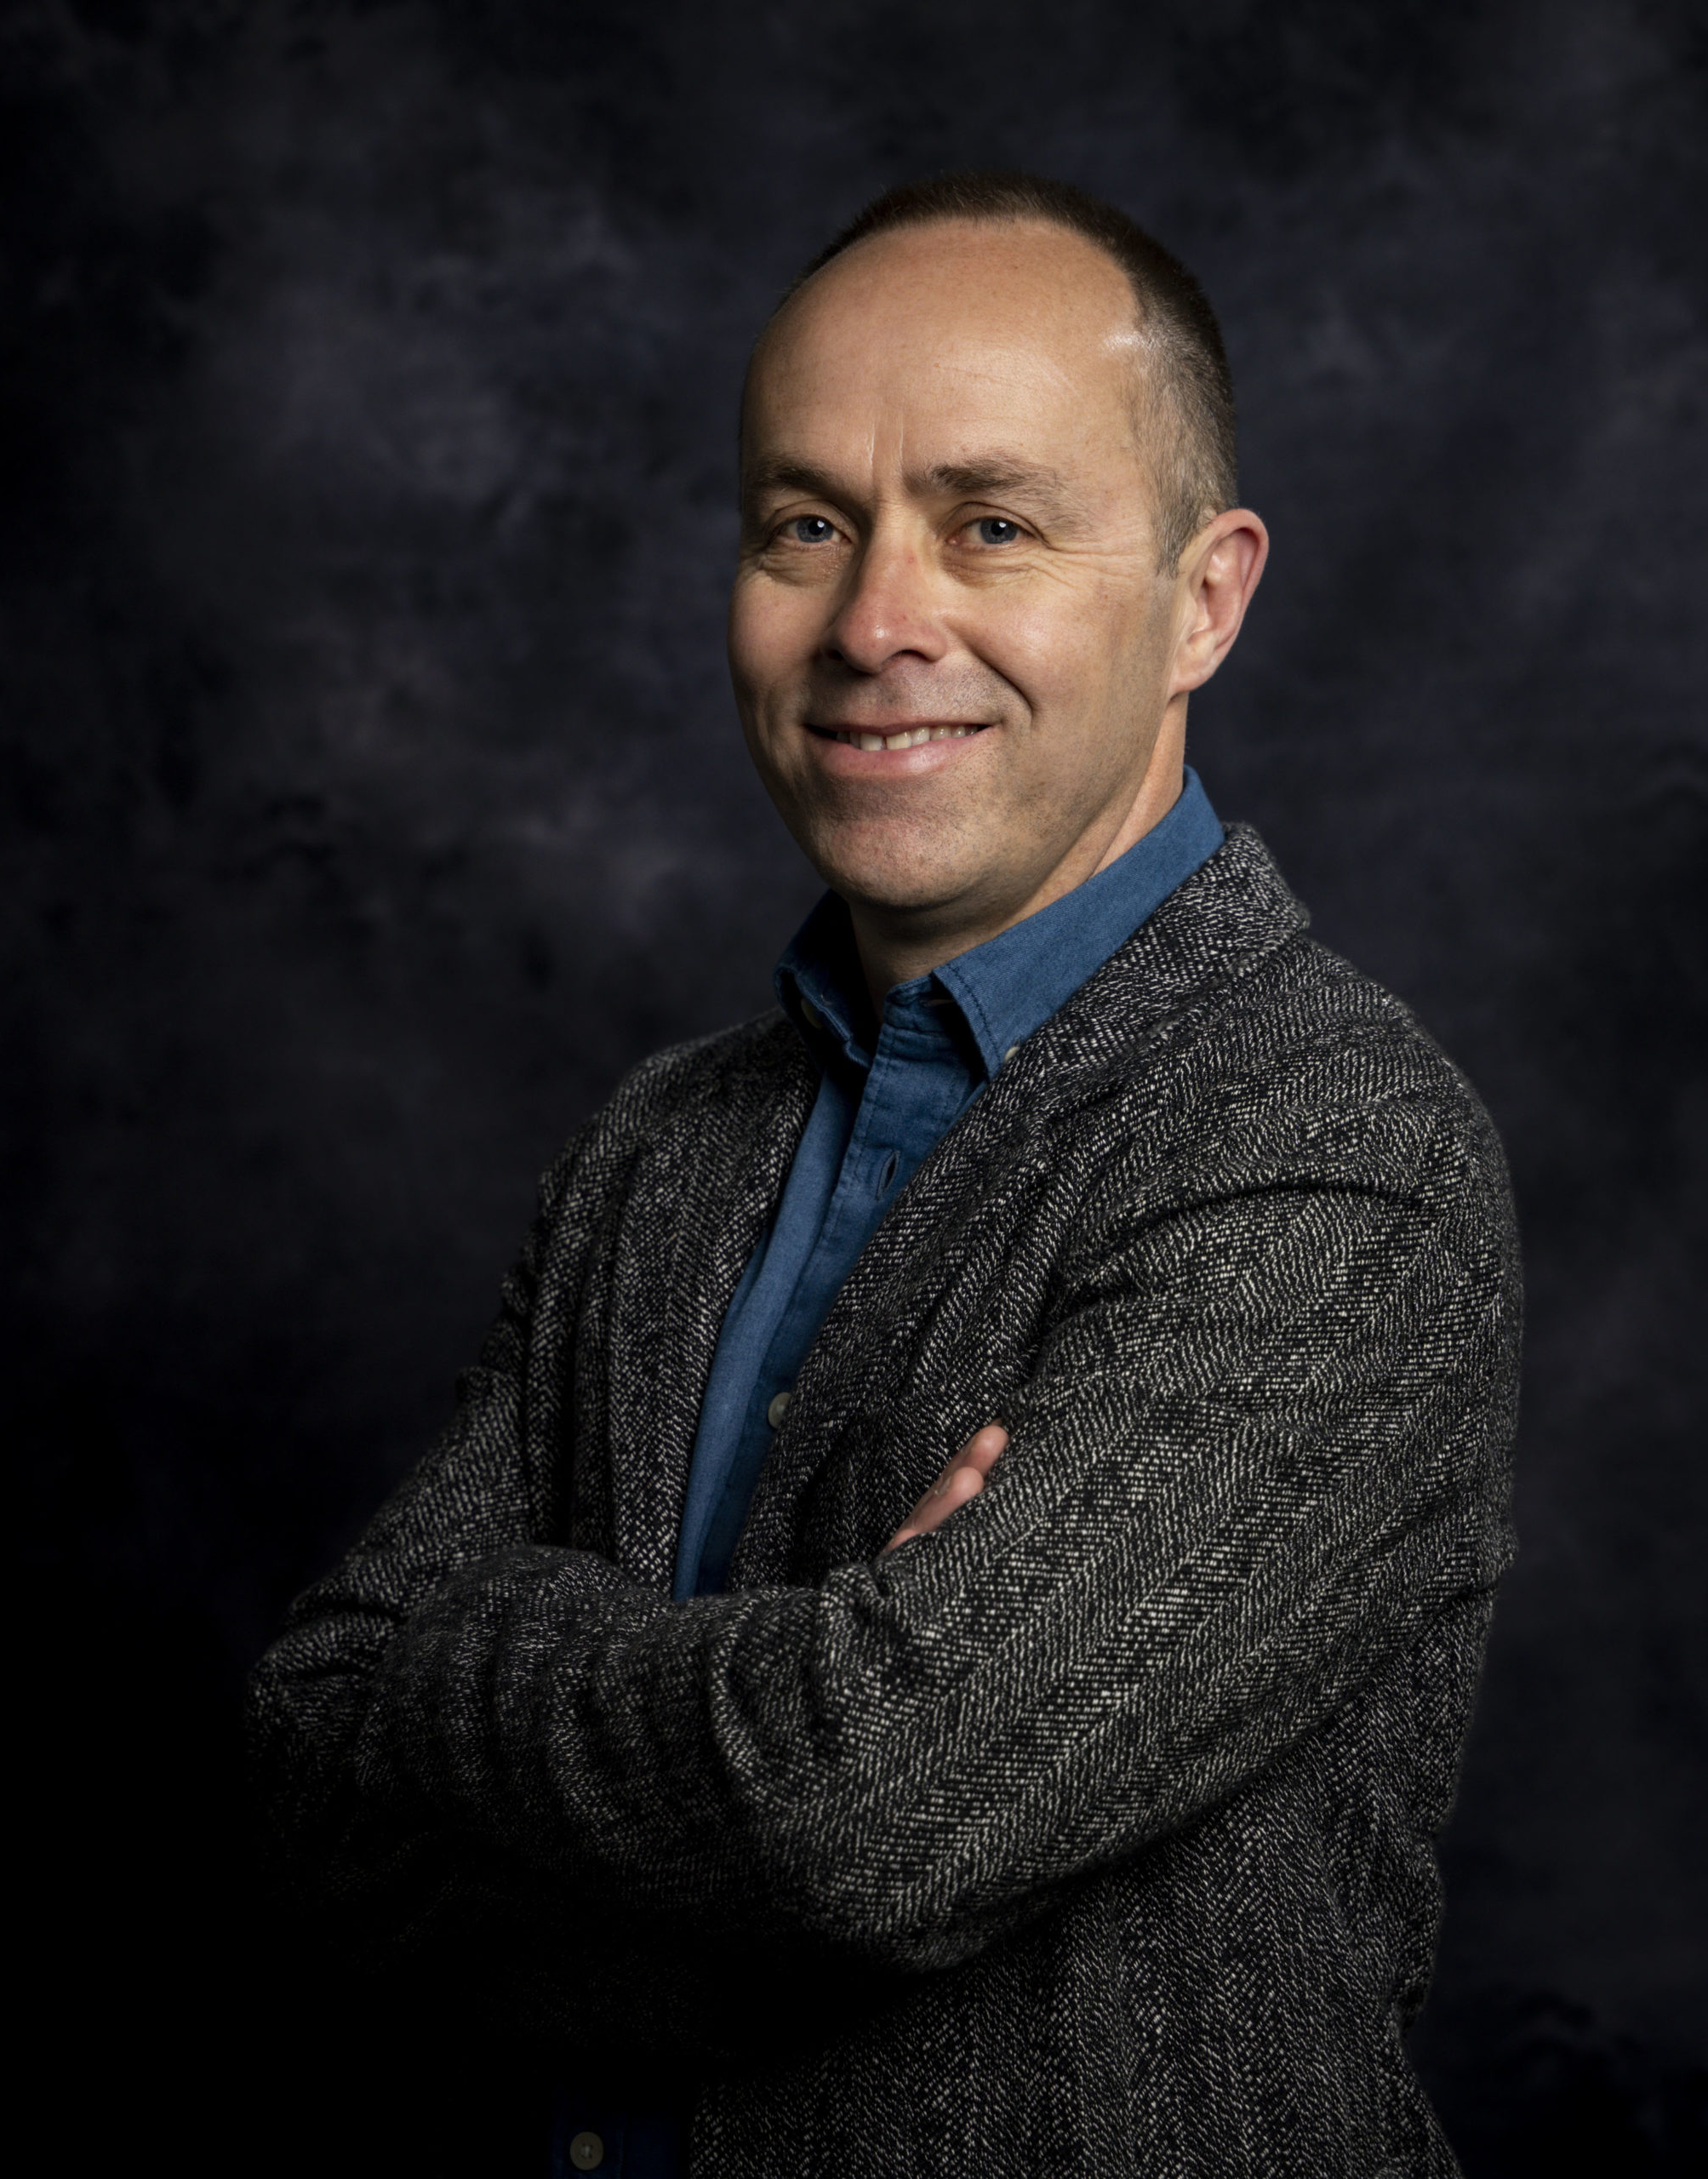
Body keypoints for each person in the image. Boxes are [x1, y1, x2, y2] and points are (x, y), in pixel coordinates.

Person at [249, 171, 1520, 2177]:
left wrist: (482, 1669)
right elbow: (312, 1747)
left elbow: (862, 1811)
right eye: (805, 525)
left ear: (1203, 599)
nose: (871, 624)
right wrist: (780, 1718)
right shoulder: (659, 1144)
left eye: (990, 523)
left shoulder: (1330, 1152)